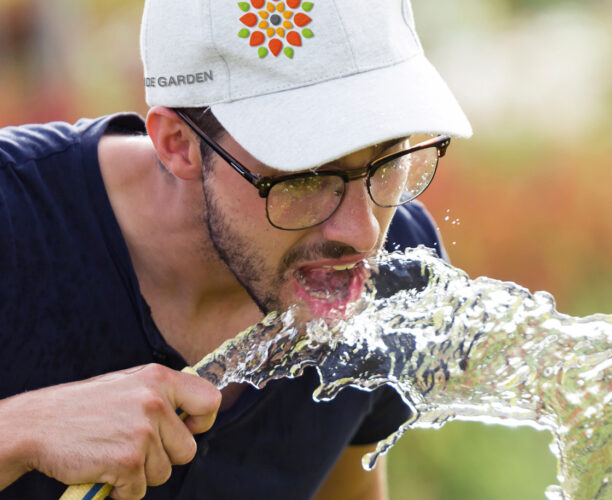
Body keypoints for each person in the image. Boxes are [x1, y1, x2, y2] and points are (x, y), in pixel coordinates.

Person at [0, 0, 471, 498]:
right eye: (307, 176)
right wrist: (20, 432)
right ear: (178, 143)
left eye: (388, 158)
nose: (363, 235)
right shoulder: (14, 223)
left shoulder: (399, 268)